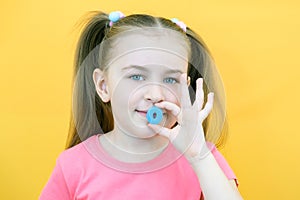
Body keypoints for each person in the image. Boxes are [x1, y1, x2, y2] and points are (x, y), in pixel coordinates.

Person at [39, 10, 243, 199]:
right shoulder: (73, 164)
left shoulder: (202, 156)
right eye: (136, 76)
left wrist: (199, 158)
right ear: (103, 86)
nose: (155, 94)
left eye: (170, 80)